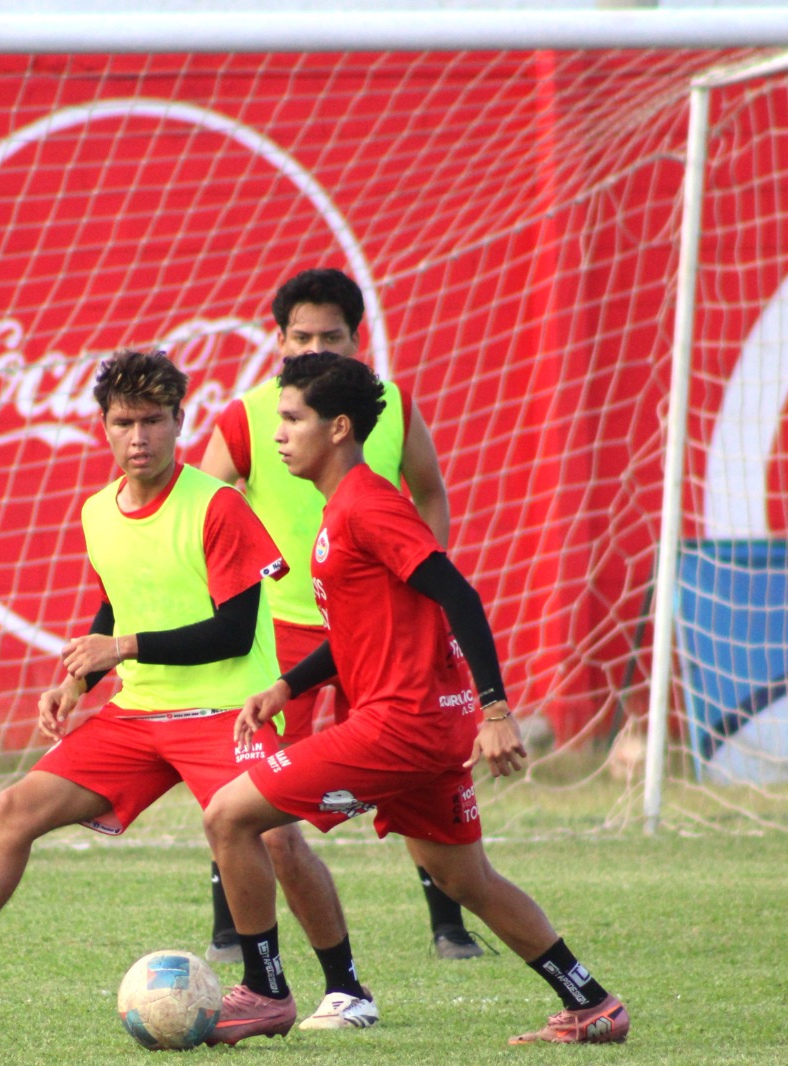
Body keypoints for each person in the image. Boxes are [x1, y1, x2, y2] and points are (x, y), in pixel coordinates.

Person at [0, 350, 372, 1042]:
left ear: (181, 422)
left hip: (225, 713)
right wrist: (77, 679)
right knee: (14, 810)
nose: (139, 437)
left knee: (275, 840)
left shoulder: (217, 506)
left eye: (154, 420)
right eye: (125, 422)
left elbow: (235, 632)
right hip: (139, 716)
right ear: (104, 427)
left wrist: (118, 650)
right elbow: (116, 604)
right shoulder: (98, 511)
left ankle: (333, 989)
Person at [201, 352, 629, 1045]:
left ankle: (263, 992)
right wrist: (286, 684)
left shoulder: (368, 505)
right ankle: (592, 1003)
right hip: (425, 726)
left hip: (399, 727)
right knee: (467, 881)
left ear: (338, 428)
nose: (278, 434)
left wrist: (497, 710)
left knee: (230, 818)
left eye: (291, 418)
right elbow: (361, 635)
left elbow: (458, 592)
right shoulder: (344, 508)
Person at [196, 267, 482, 961]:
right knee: (254, 779)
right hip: (284, 634)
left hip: (377, 630)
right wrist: (234, 599)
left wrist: (419, 570)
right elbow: (205, 508)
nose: (315, 345)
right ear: (279, 338)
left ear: (357, 338)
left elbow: (431, 492)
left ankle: (447, 921)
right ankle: (233, 931)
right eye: (301, 336)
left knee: (407, 761)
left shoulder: (386, 408)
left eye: (331, 335)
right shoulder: (250, 414)